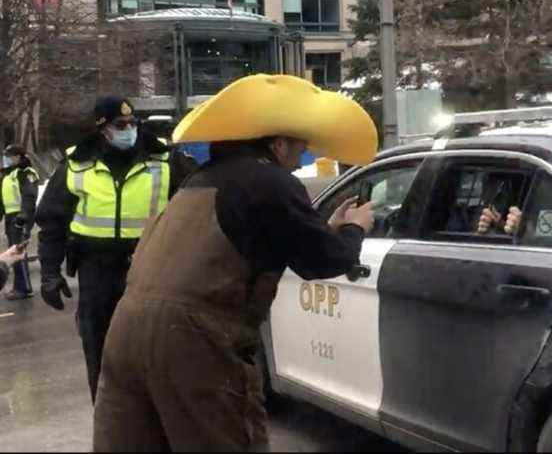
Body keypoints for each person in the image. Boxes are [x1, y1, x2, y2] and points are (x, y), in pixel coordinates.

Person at [93, 74, 377, 452]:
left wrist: (325, 228)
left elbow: (249, 236)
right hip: (195, 342)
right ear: (277, 144)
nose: (299, 162)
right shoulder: (270, 181)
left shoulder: (200, 178)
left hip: (125, 333)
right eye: (299, 150)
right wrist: (354, 230)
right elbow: (324, 260)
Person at [35, 96, 197, 403]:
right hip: (96, 272)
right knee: (100, 348)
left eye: (132, 123)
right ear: (102, 129)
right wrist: (48, 273)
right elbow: (52, 223)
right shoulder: (75, 164)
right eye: (119, 125)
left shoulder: (165, 160)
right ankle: (109, 418)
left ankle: (155, 423)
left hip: (153, 269)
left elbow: (198, 207)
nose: (129, 130)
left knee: (156, 349)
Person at [0, 144, 39, 300]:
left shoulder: (26, 173)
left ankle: (24, 288)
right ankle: (19, 287)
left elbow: (29, 196)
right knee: (14, 252)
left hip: (21, 217)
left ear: (18, 157)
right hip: (11, 217)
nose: (6, 159)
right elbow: (3, 200)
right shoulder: (9, 175)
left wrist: (23, 217)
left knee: (18, 253)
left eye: (9, 156)